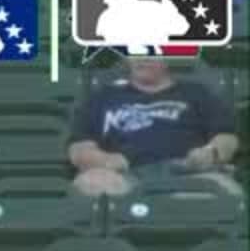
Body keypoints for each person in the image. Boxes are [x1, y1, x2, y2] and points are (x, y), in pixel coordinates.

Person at [67, 54, 239, 198]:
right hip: (125, 176)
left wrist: (211, 153)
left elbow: (227, 137)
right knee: (90, 183)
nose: (143, 57)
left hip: (189, 172)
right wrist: (107, 161)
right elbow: (79, 149)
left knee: (225, 189)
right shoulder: (103, 98)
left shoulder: (197, 92)